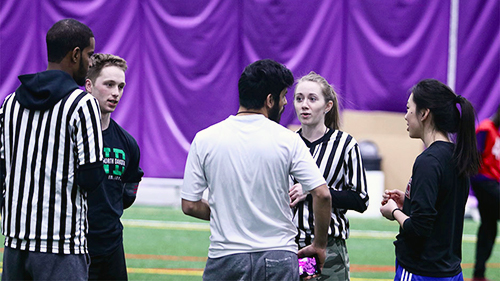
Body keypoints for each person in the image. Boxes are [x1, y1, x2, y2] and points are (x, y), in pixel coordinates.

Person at [181, 59, 332, 281]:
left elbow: (190, 205)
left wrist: (230, 214)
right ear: (269, 100)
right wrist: (319, 244)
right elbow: (322, 194)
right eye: (282, 97)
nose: (286, 103)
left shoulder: (204, 139)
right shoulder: (288, 140)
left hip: (226, 257)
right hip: (279, 256)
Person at [0, 19, 104, 280]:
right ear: (76, 54)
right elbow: (91, 176)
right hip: (62, 245)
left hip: (15, 243)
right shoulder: (82, 104)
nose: (91, 63)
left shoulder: (10, 103)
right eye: (90, 55)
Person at [380, 79, 480, 280]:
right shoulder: (455, 156)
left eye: (409, 109)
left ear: (424, 113)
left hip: (421, 271)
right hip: (450, 272)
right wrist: (408, 201)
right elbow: (442, 209)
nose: (406, 115)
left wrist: (394, 211)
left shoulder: (428, 161)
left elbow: (419, 228)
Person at [290, 71, 369, 280]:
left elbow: (360, 200)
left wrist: (312, 192)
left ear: (328, 106)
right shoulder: (287, 143)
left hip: (328, 246)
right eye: (299, 99)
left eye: (312, 99)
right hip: (292, 245)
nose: (304, 105)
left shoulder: (345, 145)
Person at [84, 53, 144, 280]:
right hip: (75, 247)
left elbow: (129, 192)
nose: (116, 93)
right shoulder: (70, 135)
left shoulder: (127, 143)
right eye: (109, 84)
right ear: (89, 85)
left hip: (112, 248)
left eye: (120, 86)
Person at [470, 104, 500, 281]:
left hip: (492, 182)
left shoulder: (496, 132)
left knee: (489, 227)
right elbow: (475, 155)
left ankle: (478, 273)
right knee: (489, 227)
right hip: (484, 181)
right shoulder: (485, 128)